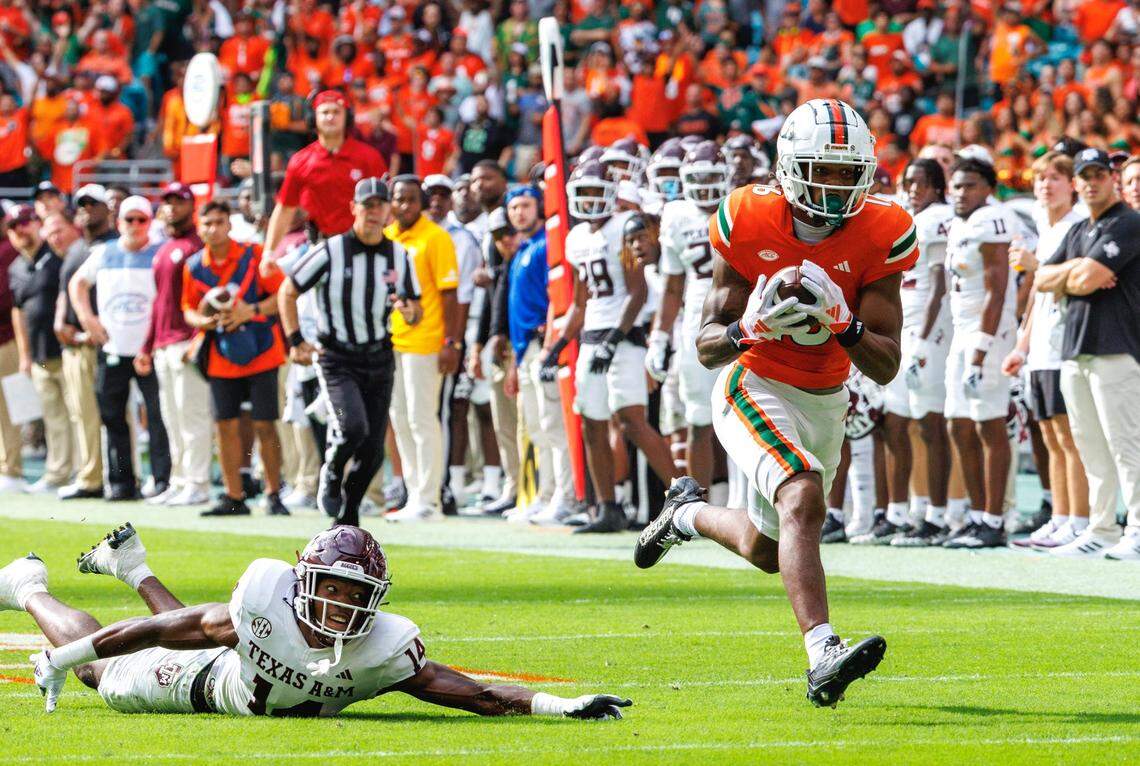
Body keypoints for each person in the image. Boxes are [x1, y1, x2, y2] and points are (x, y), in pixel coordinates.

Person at [634, 100, 916, 706]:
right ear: (789, 166)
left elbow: (885, 364)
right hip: (753, 382)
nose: (837, 187)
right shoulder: (748, 215)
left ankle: (685, 514)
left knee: (768, 549)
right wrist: (749, 329)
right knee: (803, 496)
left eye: (848, 173)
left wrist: (843, 323)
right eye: (824, 169)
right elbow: (710, 346)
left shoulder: (885, 227)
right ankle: (823, 653)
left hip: (825, 396)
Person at [5, 524, 631, 720]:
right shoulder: (266, 595)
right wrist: (61, 659)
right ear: (304, 583)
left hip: (233, 666)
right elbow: (158, 633)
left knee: (212, 632)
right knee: (104, 673)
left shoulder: (385, 647)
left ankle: (132, 565)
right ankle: (29, 587)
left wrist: (558, 706)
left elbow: (474, 691)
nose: (341, 606)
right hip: (198, 689)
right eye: (331, 589)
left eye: (356, 593)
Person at [279, 178, 421, 527]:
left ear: (389, 210)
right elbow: (288, 291)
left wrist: (409, 311)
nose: (374, 212)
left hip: (379, 355)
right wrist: (296, 339)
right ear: (353, 208)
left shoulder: (399, 255)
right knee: (353, 428)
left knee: (374, 448)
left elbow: (415, 307)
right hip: (338, 356)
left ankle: (349, 513)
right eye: (367, 205)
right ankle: (330, 471)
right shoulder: (331, 250)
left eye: (380, 205)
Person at [546, 159, 678, 534]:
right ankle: (607, 507)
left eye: (595, 192)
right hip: (592, 337)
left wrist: (615, 339)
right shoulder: (575, 239)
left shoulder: (624, 226)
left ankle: (683, 496)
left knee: (632, 422)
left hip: (624, 338)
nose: (589, 200)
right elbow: (580, 303)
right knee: (591, 422)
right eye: (583, 192)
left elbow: (638, 293)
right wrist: (555, 348)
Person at [1036, 148, 1140, 560]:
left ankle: (1137, 528)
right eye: (1086, 176)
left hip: (1116, 347)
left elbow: (1085, 279)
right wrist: (1075, 270)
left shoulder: (1130, 222)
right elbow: (1044, 278)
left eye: (1099, 174)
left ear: (1112, 179)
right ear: (1077, 183)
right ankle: (1102, 528)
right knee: (1090, 445)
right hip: (1075, 348)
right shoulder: (1080, 231)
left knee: (1125, 443)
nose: (1093, 182)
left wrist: (1075, 275)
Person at [1002, 152, 1090, 553]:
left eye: (1055, 178)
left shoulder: (1078, 226)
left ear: (1071, 185)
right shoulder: (1046, 225)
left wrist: (1035, 265)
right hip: (1042, 347)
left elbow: (1066, 280)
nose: (1046, 185)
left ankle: (1080, 520)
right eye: (1040, 179)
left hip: (1067, 343)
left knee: (1070, 437)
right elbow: (1038, 296)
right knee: (1051, 436)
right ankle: (1061, 516)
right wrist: (1022, 345)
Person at [182, 200, 289, 518]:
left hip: (262, 351)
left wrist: (250, 311)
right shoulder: (193, 266)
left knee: (265, 424)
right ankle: (233, 495)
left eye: (219, 222)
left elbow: (282, 294)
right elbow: (187, 308)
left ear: (229, 224)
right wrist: (203, 321)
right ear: (199, 228)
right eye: (207, 223)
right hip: (220, 355)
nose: (213, 229)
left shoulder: (254, 255)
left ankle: (272, 493)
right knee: (224, 425)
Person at [939, 158, 1022, 550]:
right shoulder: (960, 223)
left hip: (988, 331)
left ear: (988, 188)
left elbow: (998, 288)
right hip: (961, 330)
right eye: (956, 186)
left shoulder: (993, 219)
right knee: (958, 423)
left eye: (970, 185)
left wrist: (983, 347)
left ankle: (993, 519)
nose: (960, 192)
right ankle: (975, 516)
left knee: (988, 422)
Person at [69, 196, 171, 501]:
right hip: (113, 346)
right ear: (119, 222)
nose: (136, 226)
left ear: (149, 223)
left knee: (157, 416)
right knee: (112, 416)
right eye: (130, 220)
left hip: (147, 349)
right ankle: (122, 482)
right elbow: (77, 284)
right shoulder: (105, 252)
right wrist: (88, 320)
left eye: (142, 220)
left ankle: (161, 480)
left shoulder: (158, 253)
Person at [876, 159, 956, 546]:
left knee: (929, 422)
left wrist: (923, 339)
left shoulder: (939, 217)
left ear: (938, 188)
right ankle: (902, 510)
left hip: (929, 327)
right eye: (908, 182)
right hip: (904, 324)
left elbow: (940, 282)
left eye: (920, 183)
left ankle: (936, 516)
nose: (912, 189)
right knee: (896, 421)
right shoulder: (903, 217)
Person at [647, 140, 730, 490]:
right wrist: (659, 337)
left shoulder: (737, 207)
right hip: (696, 325)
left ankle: (739, 500)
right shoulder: (676, 214)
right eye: (698, 177)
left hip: (740, 318)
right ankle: (701, 503)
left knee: (746, 419)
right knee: (698, 418)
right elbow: (671, 285)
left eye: (712, 176)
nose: (705, 186)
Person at [494, 186, 576, 525]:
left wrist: (546, 347)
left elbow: (555, 296)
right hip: (523, 349)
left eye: (525, 206)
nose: (519, 213)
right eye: (513, 208)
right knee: (539, 428)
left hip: (543, 346)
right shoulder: (523, 248)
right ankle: (545, 495)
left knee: (554, 425)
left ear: (539, 207)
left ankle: (565, 496)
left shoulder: (547, 245)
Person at [383, 175, 462, 522]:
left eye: (411, 199)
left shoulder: (436, 237)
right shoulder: (388, 237)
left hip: (427, 341)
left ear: (422, 202)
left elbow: (450, 295)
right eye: (398, 199)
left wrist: (451, 342)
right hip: (392, 341)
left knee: (422, 419)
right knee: (400, 419)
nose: (404, 206)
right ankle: (414, 494)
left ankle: (429, 500)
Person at [135, 183, 213, 507]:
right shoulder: (165, 247)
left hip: (185, 340)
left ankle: (198, 482)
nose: (171, 208)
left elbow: (205, 298)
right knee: (172, 417)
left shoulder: (197, 245)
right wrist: (147, 344)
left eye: (178, 202)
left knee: (192, 414)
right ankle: (179, 480)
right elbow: (159, 302)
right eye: (167, 202)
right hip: (164, 343)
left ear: (190, 205)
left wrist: (199, 338)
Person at [263, 90, 387, 259]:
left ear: (347, 118)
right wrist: (269, 253)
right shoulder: (300, 161)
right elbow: (285, 208)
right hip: (319, 248)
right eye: (325, 112)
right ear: (314, 118)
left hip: (363, 248)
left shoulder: (369, 157)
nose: (330, 117)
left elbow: (387, 207)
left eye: (336, 112)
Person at [423, 174, 482, 514]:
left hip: (445, 335)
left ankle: (444, 486)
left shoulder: (462, 239)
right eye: (431, 194)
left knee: (444, 411)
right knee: (415, 415)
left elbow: (461, 298)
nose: (437, 200)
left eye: (444, 194)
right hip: (412, 336)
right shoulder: (406, 235)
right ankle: (417, 484)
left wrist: (453, 341)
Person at [53, 185, 115, 501]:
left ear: (108, 209)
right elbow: (66, 287)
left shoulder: (115, 245)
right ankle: (90, 477)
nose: (87, 209)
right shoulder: (77, 248)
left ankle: (114, 477)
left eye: (94, 204)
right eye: (82, 205)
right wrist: (60, 319)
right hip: (74, 344)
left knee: (113, 414)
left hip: (105, 342)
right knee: (82, 413)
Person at [7, 204, 73, 494]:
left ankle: (85, 473)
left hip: (67, 350)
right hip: (40, 354)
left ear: (38, 224)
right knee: (54, 417)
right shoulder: (16, 268)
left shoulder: (58, 256)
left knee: (79, 415)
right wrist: (25, 355)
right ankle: (58, 474)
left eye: (26, 222)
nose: (21, 230)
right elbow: (18, 312)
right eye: (14, 226)